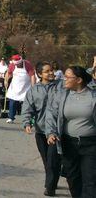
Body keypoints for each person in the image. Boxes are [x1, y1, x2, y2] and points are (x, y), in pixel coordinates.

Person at [46, 66, 96, 198]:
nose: (64, 80)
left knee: (90, 180)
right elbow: (51, 113)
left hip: (90, 145)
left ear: (79, 80)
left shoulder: (93, 97)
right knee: (73, 179)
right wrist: (51, 132)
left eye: (68, 77)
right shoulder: (63, 95)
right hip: (68, 144)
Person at [23, 62, 62, 196]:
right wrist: (27, 123)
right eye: (47, 71)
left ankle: (50, 187)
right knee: (46, 160)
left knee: (53, 160)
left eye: (52, 70)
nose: (51, 73)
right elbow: (28, 107)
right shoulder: (34, 90)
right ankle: (52, 180)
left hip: (57, 131)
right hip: (41, 130)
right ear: (40, 74)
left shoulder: (61, 86)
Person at [6, 54, 36, 123]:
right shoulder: (12, 65)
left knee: (28, 103)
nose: (17, 65)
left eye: (18, 64)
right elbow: (8, 73)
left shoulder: (27, 64)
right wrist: (6, 81)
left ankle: (30, 118)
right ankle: (11, 117)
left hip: (26, 87)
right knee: (12, 102)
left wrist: (33, 87)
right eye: (16, 64)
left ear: (21, 61)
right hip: (15, 86)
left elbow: (32, 76)